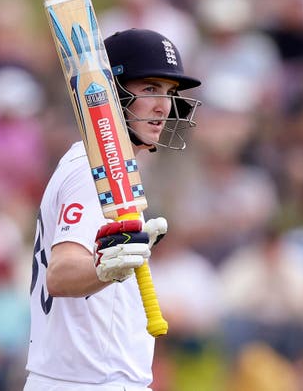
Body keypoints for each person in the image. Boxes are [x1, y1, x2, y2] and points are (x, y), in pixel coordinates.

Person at [23, 28, 202, 391]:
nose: (163, 106)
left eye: (169, 93)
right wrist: (107, 267)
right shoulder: (93, 170)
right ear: (112, 93)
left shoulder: (110, 167)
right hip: (88, 382)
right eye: (150, 89)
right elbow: (60, 274)